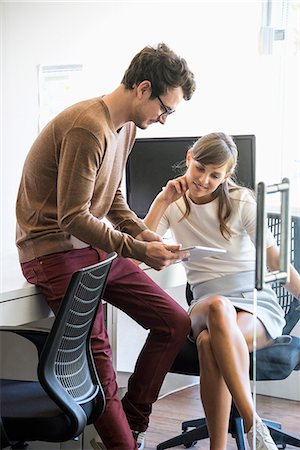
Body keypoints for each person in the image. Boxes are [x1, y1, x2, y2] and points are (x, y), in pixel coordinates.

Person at [15, 43, 196, 450]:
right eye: (165, 109)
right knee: (101, 358)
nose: (164, 120)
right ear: (143, 88)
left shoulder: (128, 126)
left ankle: (130, 426)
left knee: (174, 322)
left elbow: (112, 200)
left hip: (94, 249)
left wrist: (144, 235)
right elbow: (72, 217)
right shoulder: (88, 127)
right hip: (53, 250)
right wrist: (135, 249)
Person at [143, 132, 300, 450]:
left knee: (208, 342)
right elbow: (140, 248)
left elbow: (276, 263)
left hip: (254, 302)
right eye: (199, 168)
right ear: (189, 158)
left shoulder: (241, 200)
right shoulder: (174, 203)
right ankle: (253, 423)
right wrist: (162, 200)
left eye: (215, 175)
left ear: (227, 175)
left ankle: (218, 448)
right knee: (216, 307)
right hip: (206, 301)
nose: (203, 179)